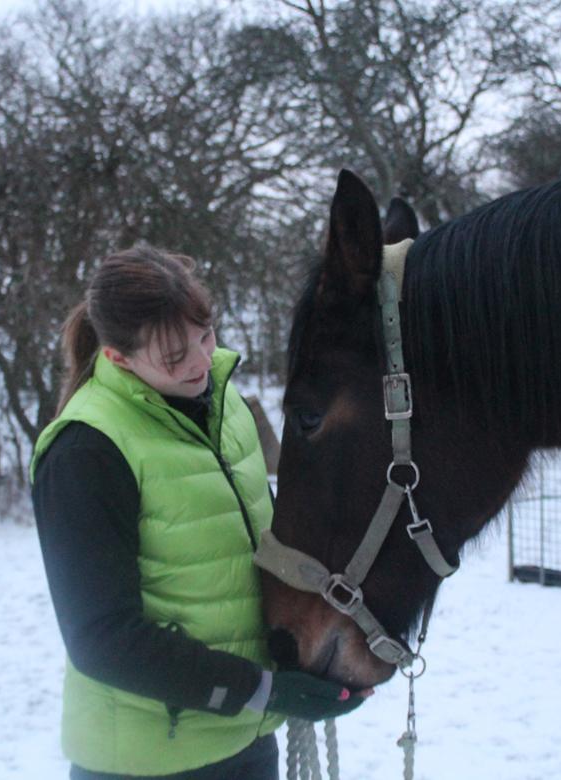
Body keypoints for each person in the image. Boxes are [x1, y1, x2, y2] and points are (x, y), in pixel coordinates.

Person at [30, 245, 363, 780]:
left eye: (204, 336)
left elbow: (254, 548)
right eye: (173, 356)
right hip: (147, 761)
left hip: (246, 742)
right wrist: (264, 690)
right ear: (118, 358)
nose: (201, 361)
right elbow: (101, 639)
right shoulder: (85, 450)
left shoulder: (223, 403)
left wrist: (313, 643)